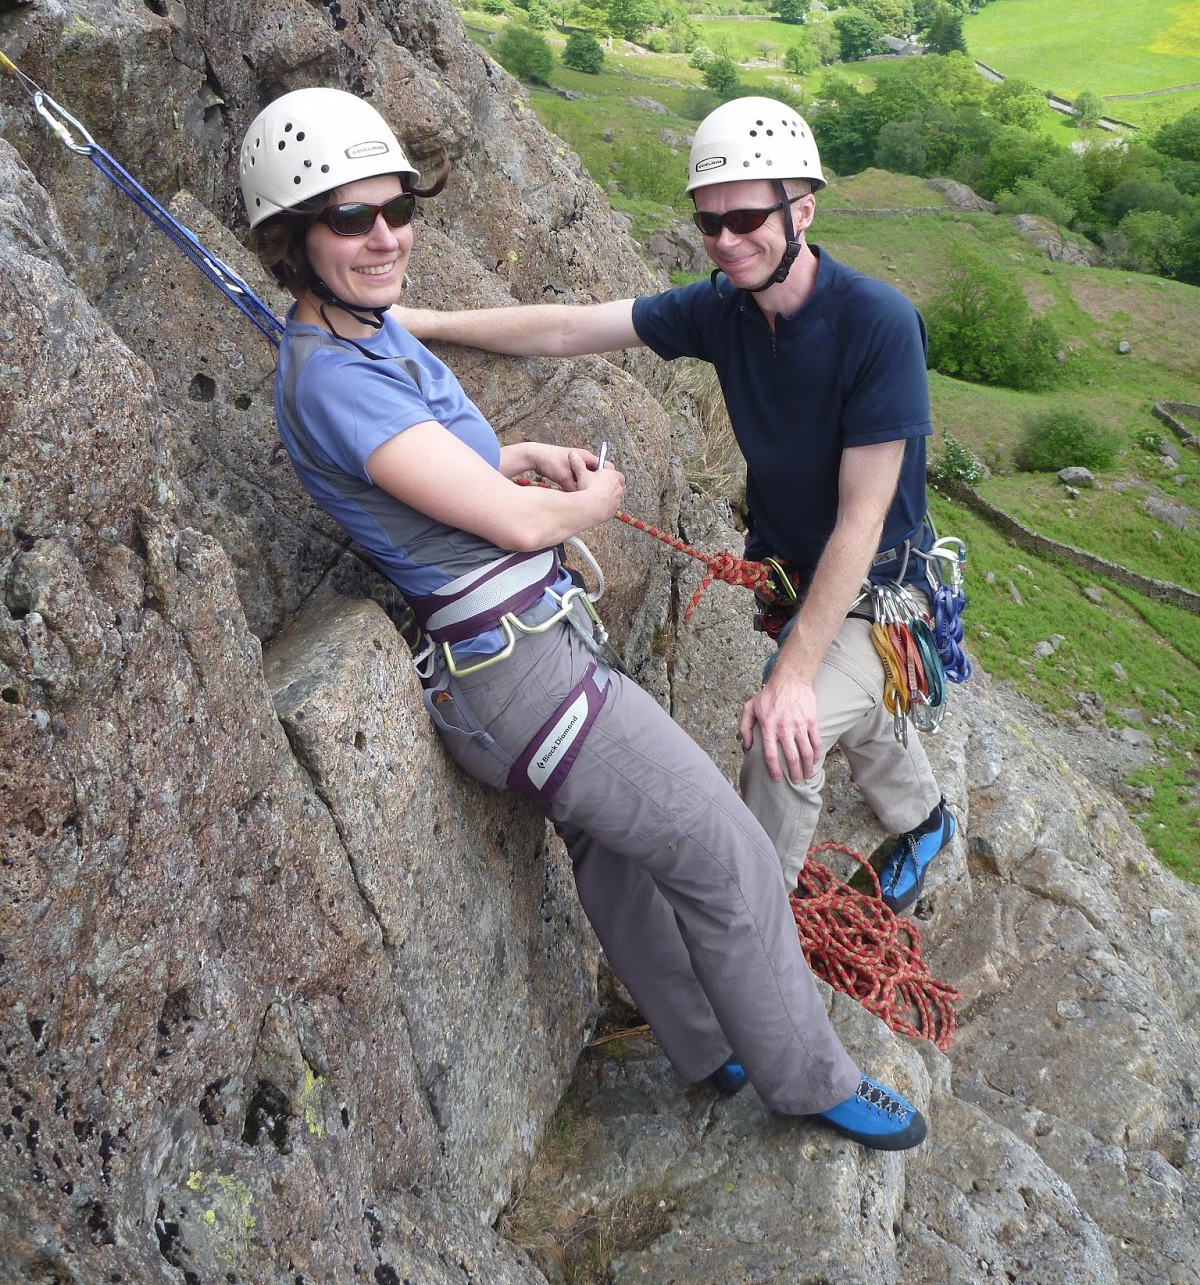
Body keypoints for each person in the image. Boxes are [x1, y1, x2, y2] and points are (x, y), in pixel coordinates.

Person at [239, 86, 927, 1153]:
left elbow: (443, 474)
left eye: (396, 207)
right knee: (730, 854)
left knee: (611, 853)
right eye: (349, 218)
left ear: (804, 210)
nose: (385, 235)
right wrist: (581, 502)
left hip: (512, 669)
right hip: (522, 674)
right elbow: (514, 525)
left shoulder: (368, 338)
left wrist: (516, 454)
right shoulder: (337, 376)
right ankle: (806, 1079)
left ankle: (708, 1047)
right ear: (293, 238)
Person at [397, 97, 956, 916]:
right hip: (799, 576)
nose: (726, 242)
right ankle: (926, 819)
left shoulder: (877, 324)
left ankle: (757, 933)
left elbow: (863, 518)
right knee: (848, 700)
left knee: (780, 739)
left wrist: (793, 677)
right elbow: (567, 330)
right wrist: (420, 322)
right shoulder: (721, 311)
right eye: (709, 223)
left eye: (747, 219)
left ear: (802, 210)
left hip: (874, 585)